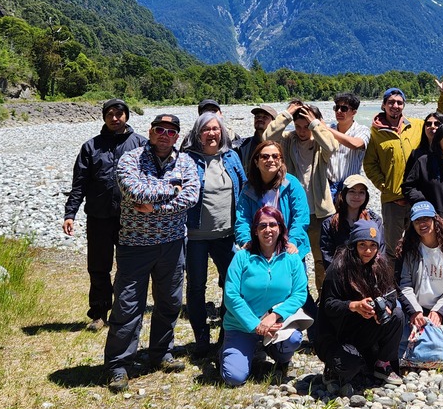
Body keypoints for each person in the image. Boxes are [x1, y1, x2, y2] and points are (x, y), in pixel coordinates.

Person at [104, 113, 200, 392]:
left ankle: (161, 353)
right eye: (160, 130)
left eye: (171, 132)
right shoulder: (130, 159)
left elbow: (191, 197)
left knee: (170, 302)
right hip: (135, 244)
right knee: (127, 305)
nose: (164, 135)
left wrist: (157, 206)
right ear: (150, 131)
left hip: (172, 244)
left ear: (178, 136)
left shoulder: (186, 161)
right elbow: (132, 191)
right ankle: (119, 365)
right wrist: (171, 188)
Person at [63, 98, 147, 331]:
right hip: (98, 216)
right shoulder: (91, 147)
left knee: (127, 266)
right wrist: (70, 213)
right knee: (98, 266)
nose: (114, 118)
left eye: (119, 114)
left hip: (130, 217)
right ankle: (99, 313)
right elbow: (79, 183)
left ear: (127, 116)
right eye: (109, 114)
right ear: (104, 117)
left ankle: (123, 310)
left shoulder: (140, 144)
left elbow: (152, 179)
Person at [181, 111, 246, 357]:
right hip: (195, 235)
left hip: (227, 234)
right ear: (198, 133)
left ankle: (225, 333)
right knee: (196, 287)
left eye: (215, 129)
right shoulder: (187, 158)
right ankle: (201, 337)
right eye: (206, 129)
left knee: (232, 285)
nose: (211, 133)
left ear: (222, 132)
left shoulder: (231, 157)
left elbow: (245, 187)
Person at [220, 204, 308, 385]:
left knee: (294, 339)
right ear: (255, 230)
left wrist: (274, 316)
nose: (268, 230)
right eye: (262, 226)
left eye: (273, 225)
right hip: (241, 326)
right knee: (233, 378)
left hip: (276, 325)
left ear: (281, 228)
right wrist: (255, 324)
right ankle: (230, 350)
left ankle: (278, 356)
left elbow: (299, 294)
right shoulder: (242, 257)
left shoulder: (292, 258)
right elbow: (231, 296)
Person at [314, 220, 403, 395]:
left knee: (397, 315)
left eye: (372, 245)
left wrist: (385, 307)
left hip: (363, 327)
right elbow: (328, 306)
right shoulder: (338, 268)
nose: (368, 251)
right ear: (353, 244)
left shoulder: (380, 265)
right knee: (350, 366)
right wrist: (353, 306)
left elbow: (392, 294)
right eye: (362, 245)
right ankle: (332, 368)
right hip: (336, 333)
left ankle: (382, 363)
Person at [363, 80, 443, 253]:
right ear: (383, 105)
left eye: (399, 102)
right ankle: (391, 279)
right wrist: (386, 187)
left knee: (421, 242)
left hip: (418, 196)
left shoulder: (417, 126)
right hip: (392, 201)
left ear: (404, 105)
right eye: (391, 102)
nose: (395, 106)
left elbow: (439, 121)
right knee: (392, 247)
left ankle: (415, 278)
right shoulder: (375, 133)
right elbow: (370, 165)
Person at [265, 100, 337, 289]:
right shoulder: (288, 140)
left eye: (306, 127)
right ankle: (299, 299)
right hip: (293, 212)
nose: (302, 131)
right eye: (298, 126)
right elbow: (268, 137)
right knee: (292, 257)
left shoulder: (320, 143)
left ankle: (324, 299)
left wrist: (315, 124)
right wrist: (287, 115)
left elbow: (332, 146)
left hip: (319, 212)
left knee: (322, 260)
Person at [395, 202, 443, 361]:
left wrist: (439, 311)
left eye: (426, 219)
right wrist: (415, 310)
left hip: (441, 306)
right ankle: (419, 338)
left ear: (435, 220)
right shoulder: (408, 249)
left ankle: (439, 333)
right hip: (415, 307)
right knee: (395, 314)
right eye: (417, 221)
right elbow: (403, 284)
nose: (422, 224)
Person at [235, 140, 309, 262]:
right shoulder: (248, 189)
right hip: (259, 248)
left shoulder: (292, 184)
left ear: (281, 161)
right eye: (265, 156)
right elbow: (243, 219)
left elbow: (301, 217)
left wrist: (292, 242)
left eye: (275, 156)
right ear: (256, 161)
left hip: (290, 247)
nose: (270, 160)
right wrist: (246, 240)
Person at [401, 122, 443, 239]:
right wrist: (424, 204)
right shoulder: (424, 162)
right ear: (438, 141)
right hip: (428, 223)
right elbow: (408, 187)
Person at [320, 173, 386, 267]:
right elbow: (327, 256)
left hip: (369, 272)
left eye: (361, 192)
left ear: (366, 196)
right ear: (343, 194)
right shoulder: (329, 224)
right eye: (352, 191)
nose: (356, 196)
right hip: (340, 274)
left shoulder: (375, 221)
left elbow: (381, 251)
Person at [327, 92, 369, 201]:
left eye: (344, 108)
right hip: (328, 185)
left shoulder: (362, 129)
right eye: (336, 108)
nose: (339, 111)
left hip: (350, 186)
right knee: (328, 218)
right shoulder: (330, 128)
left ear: (354, 112)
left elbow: (355, 144)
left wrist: (326, 130)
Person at [234, 105, 278, 170]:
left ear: (274, 122)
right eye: (257, 117)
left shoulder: (281, 143)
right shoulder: (243, 145)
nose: (260, 119)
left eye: (265, 117)